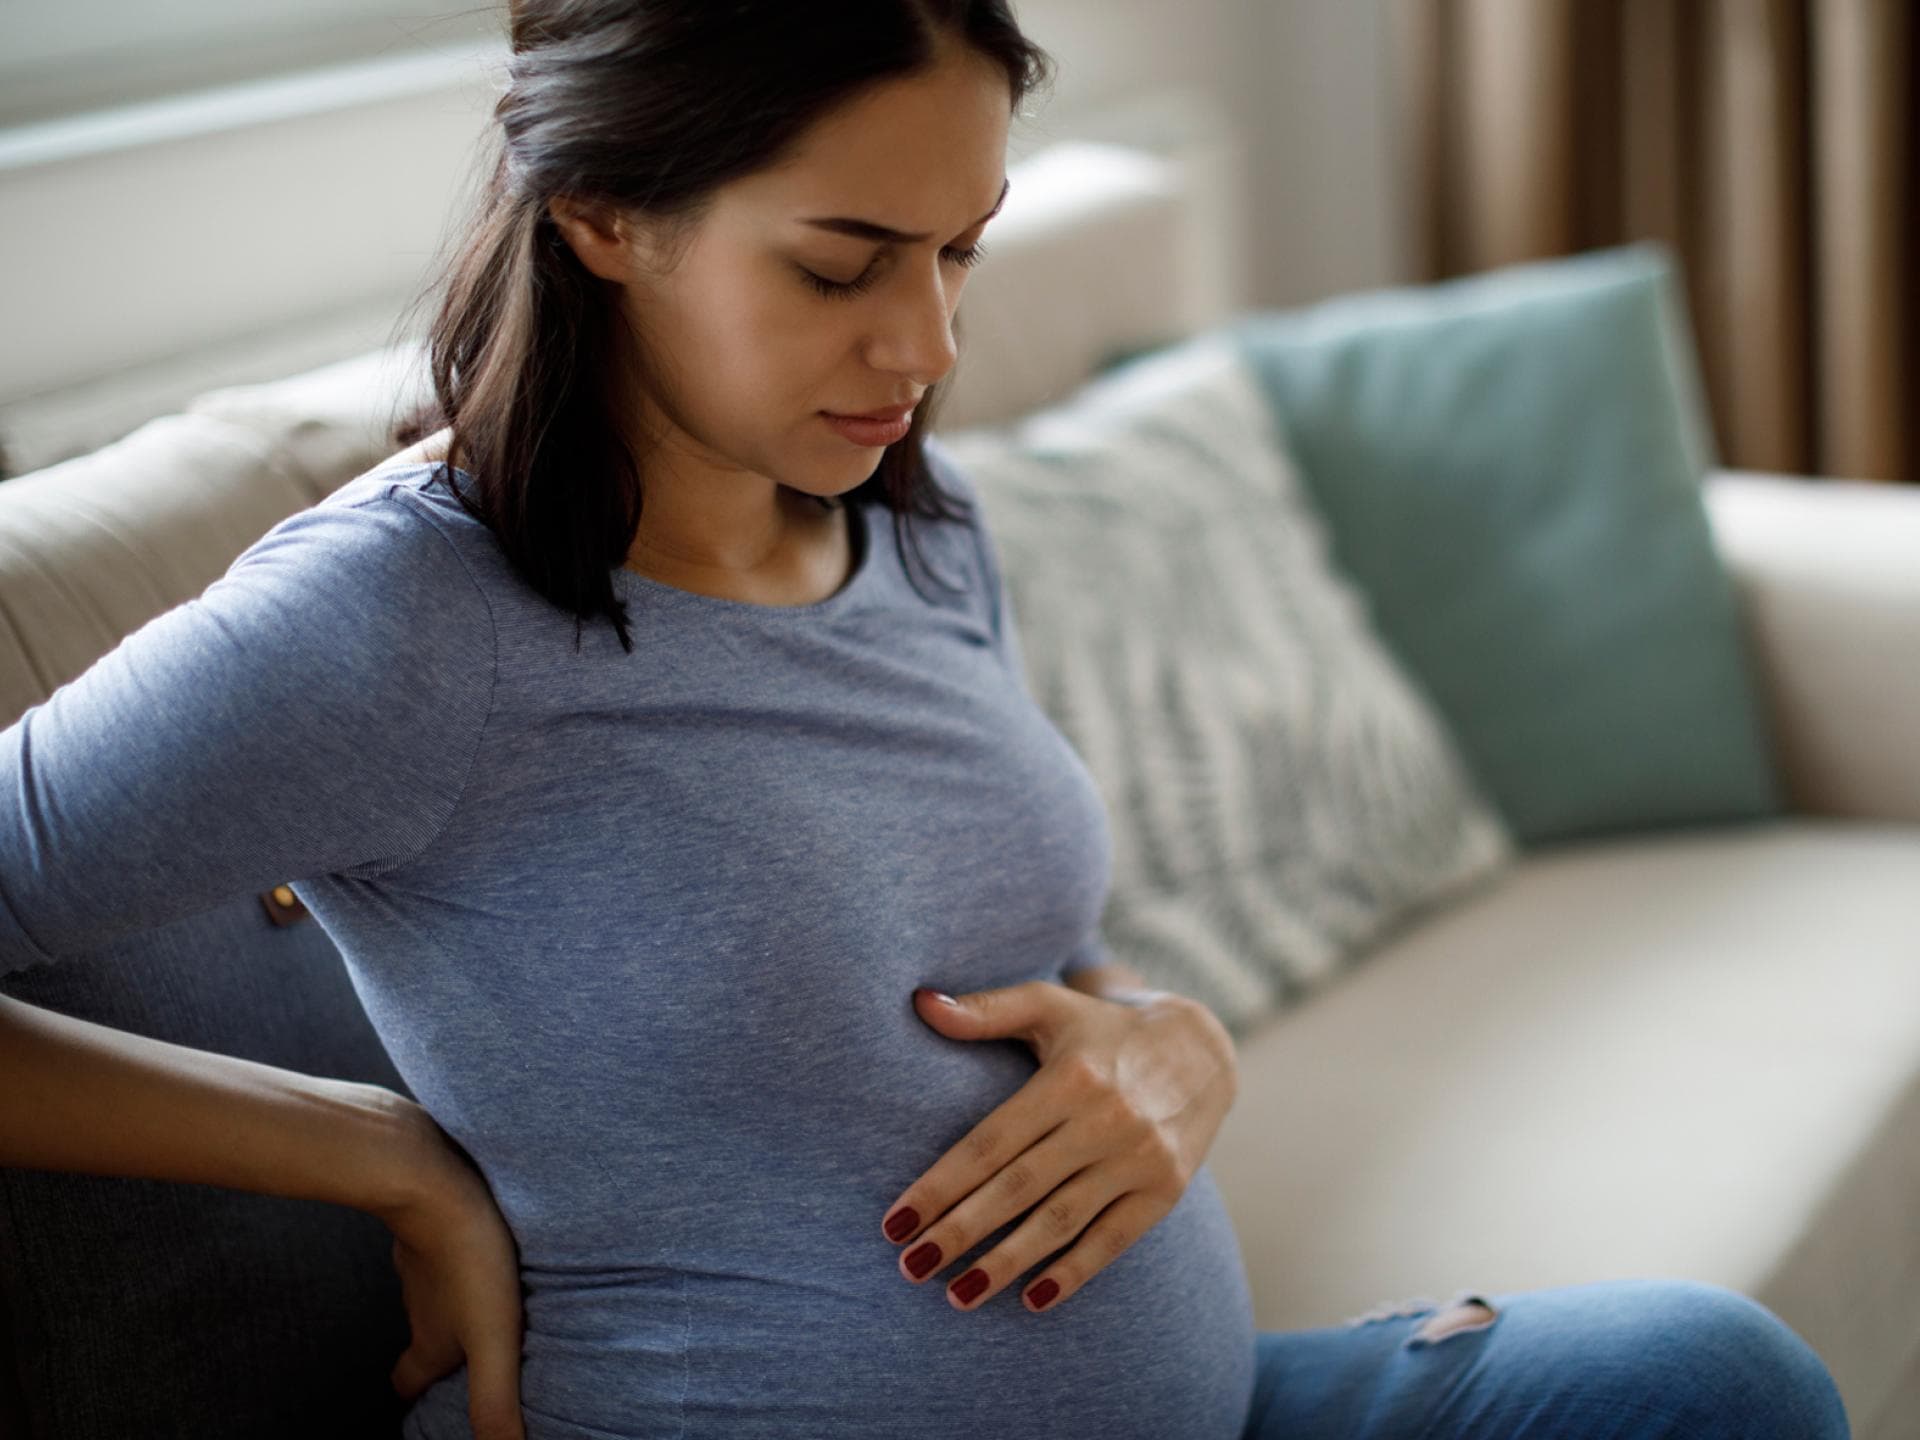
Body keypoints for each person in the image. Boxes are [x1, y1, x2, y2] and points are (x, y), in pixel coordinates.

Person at [0, 2, 1854, 1438]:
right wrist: (375, 1153)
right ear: (602, 214)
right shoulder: (400, 618)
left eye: (962, 250)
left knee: (1707, 1378)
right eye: (841, 265)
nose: (927, 347)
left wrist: (1168, 1042)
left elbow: (1020, 953)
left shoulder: (914, 521)